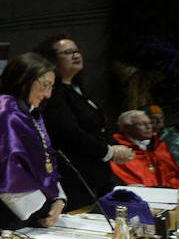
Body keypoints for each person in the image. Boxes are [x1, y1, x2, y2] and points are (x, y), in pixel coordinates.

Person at [0, 52, 66, 228]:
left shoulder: (27, 112)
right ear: (25, 81)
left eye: (51, 87)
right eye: (45, 86)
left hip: (31, 213)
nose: (48, 95)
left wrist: (58, 199)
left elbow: (44, 162)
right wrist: (44, 210)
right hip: (6, 216)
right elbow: (3, 172)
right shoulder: (4, 112)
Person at [36, 34, 133, 208]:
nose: (76, 55)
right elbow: (70, 132)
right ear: (52, 60)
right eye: (67, 52)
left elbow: (98, 126)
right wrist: (108, 151)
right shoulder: (54, 93)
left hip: (96, 172)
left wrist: (116, 146)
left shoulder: (78, 88)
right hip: (74, 175)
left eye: (77, 51)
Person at [110, 110, 179, 189]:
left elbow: (172, 174)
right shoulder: (118, 148)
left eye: (150, 123)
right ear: (126, 127)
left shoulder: (159, 146)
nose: (148, 127)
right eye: (142, 124)